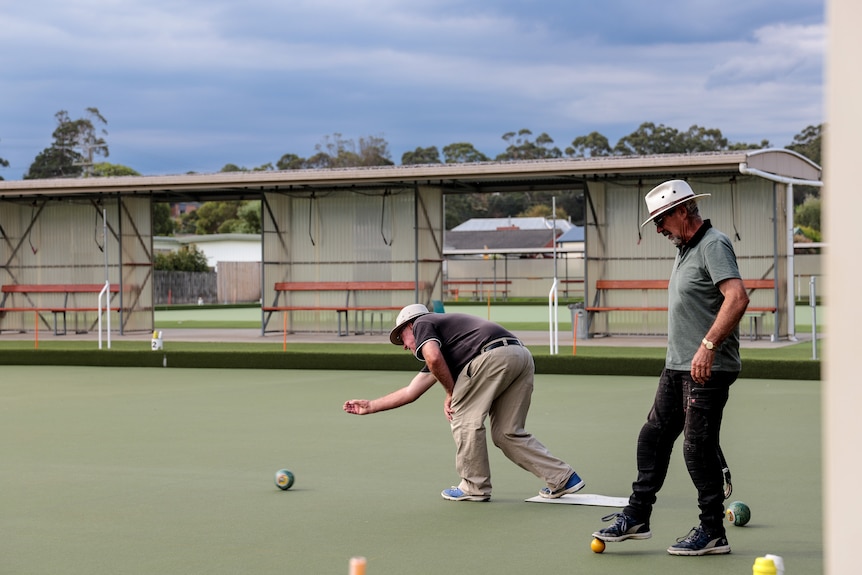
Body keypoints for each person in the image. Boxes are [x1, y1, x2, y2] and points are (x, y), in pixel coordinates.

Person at [592, 180, 750, 556]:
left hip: (707, 368)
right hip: (678, 366)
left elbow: (737, 297)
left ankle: (713, 531)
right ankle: (637, 516)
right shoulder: (685, 247)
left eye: (662, 220)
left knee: (696, 448)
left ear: (683, 211)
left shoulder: (713, 244)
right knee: (654, 437)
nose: (659, 229)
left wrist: (708, 346)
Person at [343, 304, 584, 502]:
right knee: (507, 433)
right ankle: (563, 478)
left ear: (410, 325)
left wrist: (451, 393)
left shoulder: (423, 324)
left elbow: (433, 357)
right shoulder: (449, 342)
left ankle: (474, 487)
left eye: (402, 337)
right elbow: (411, 391)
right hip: (519, 355)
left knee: (463, 415)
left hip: (491, 357)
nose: (405, 346)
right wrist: (371, 406)